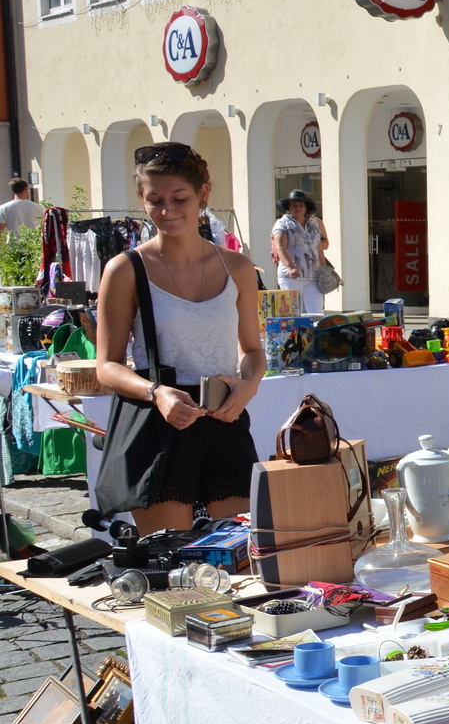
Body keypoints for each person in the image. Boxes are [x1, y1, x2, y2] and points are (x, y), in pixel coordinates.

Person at [95, 143, 263, 535]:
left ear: (203, 193)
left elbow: (253, 350)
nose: (167, 210)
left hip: (222, 418)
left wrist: (249, 385)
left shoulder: (237, 266)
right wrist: (156, 393)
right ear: (142, 199)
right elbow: (107, 366)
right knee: (171, 557)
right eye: (155, 200)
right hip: (159, 426)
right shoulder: (124, 269)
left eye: (179, 198)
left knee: (237, 550)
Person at [271, 189, 328, 314]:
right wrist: (291, 267)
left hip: (313, 276)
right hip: (291, 277)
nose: (298, 208)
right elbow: (280, 247)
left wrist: (324, 269)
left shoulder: (314, 223)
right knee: (293, 312)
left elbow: (318, 248)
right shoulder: (283, 223)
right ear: (289, 207)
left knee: (316, 312)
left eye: (301, 205)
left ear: (306, 207)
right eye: (294, 205)